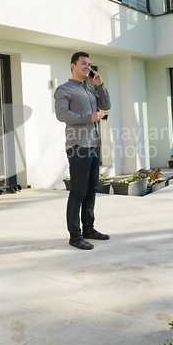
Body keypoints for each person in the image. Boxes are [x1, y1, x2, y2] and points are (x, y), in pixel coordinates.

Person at [54, 52, 111, 250]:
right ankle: (75, 236)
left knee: (91, 190)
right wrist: (89, 117)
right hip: (78, 146)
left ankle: (89, 229)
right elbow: (62, 115)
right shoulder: (64, 89)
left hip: (94, 144)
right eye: (83, 63)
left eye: (89, 64)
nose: (87, 66)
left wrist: (100, 85)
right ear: (73, 65)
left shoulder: (90, 90)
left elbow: (107, 105)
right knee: (78, 192)